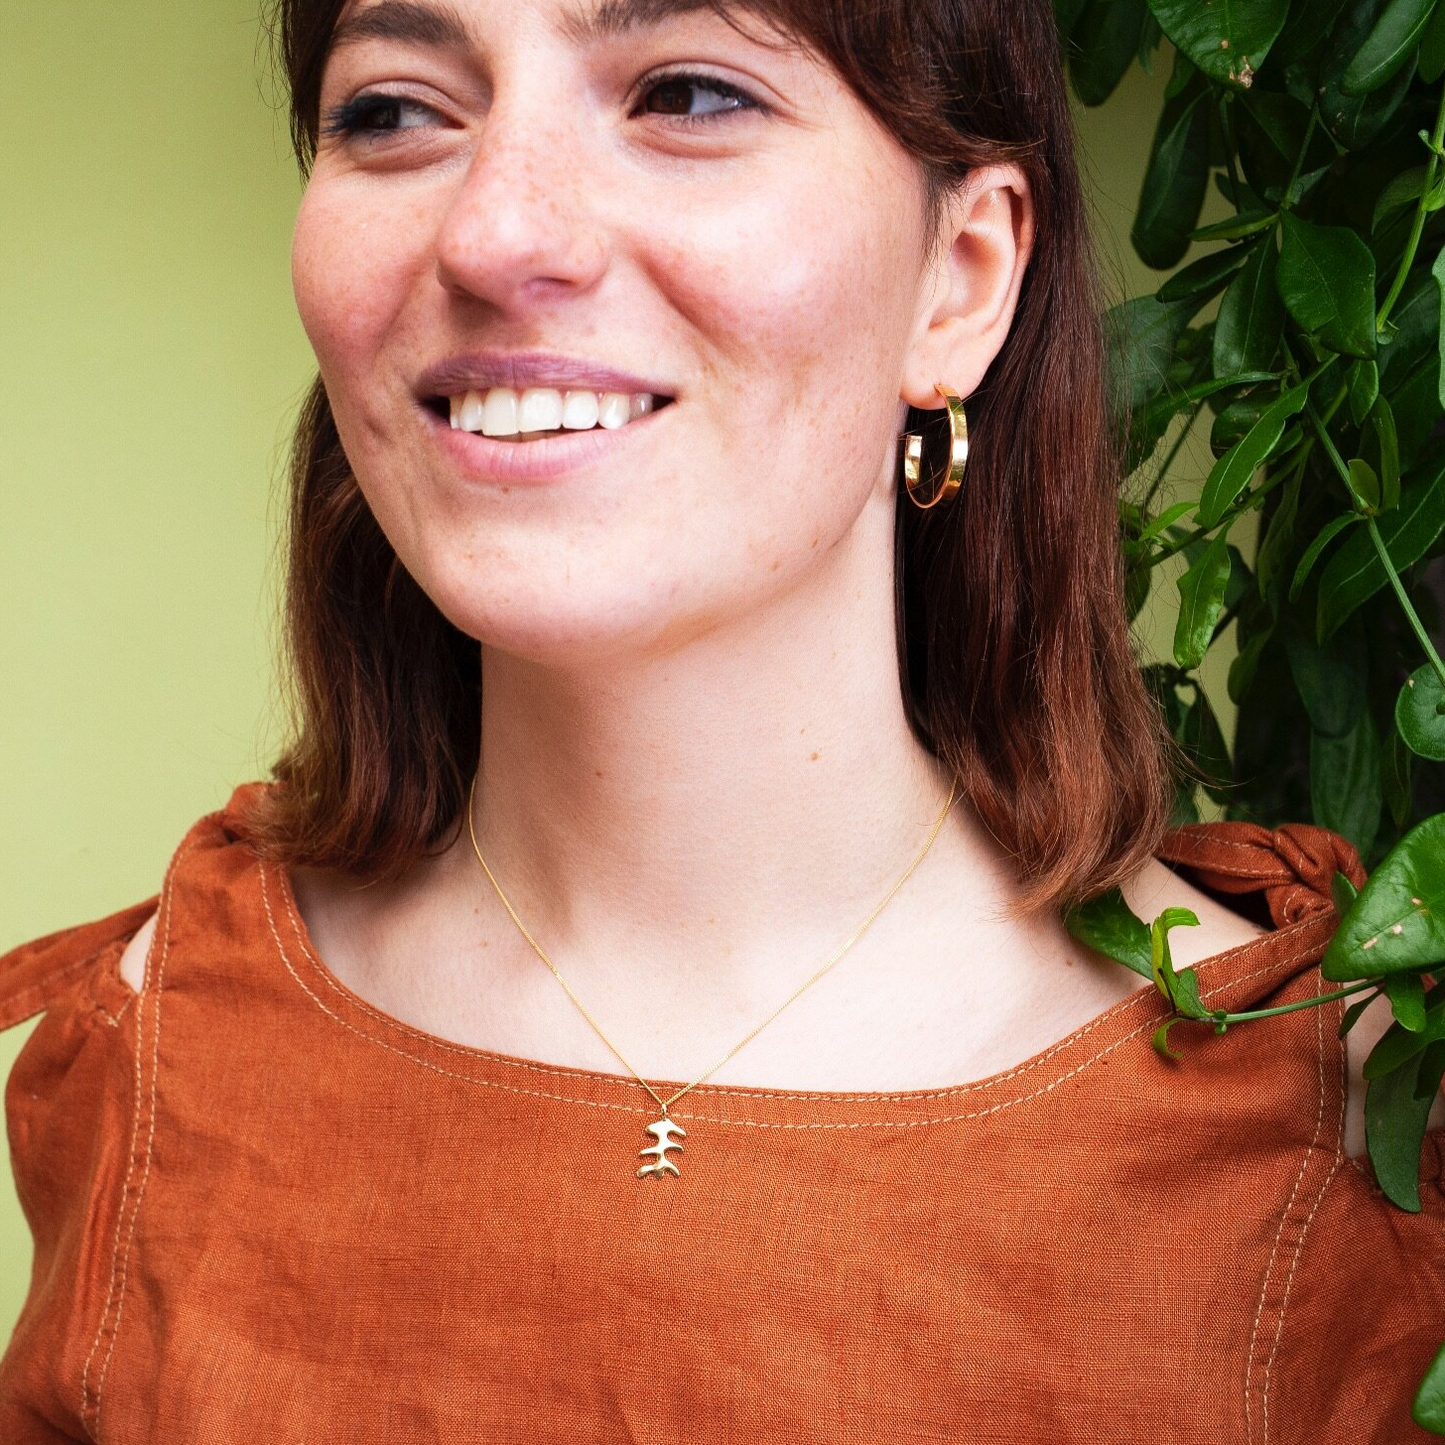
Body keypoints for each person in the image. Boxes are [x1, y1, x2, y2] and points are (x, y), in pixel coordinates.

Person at [2, 0, 1441, 1439]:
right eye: (395, 109)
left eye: (687, 94)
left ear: (964, 275)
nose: (494, 235)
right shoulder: (160, 1050)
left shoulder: (1335, 1122)